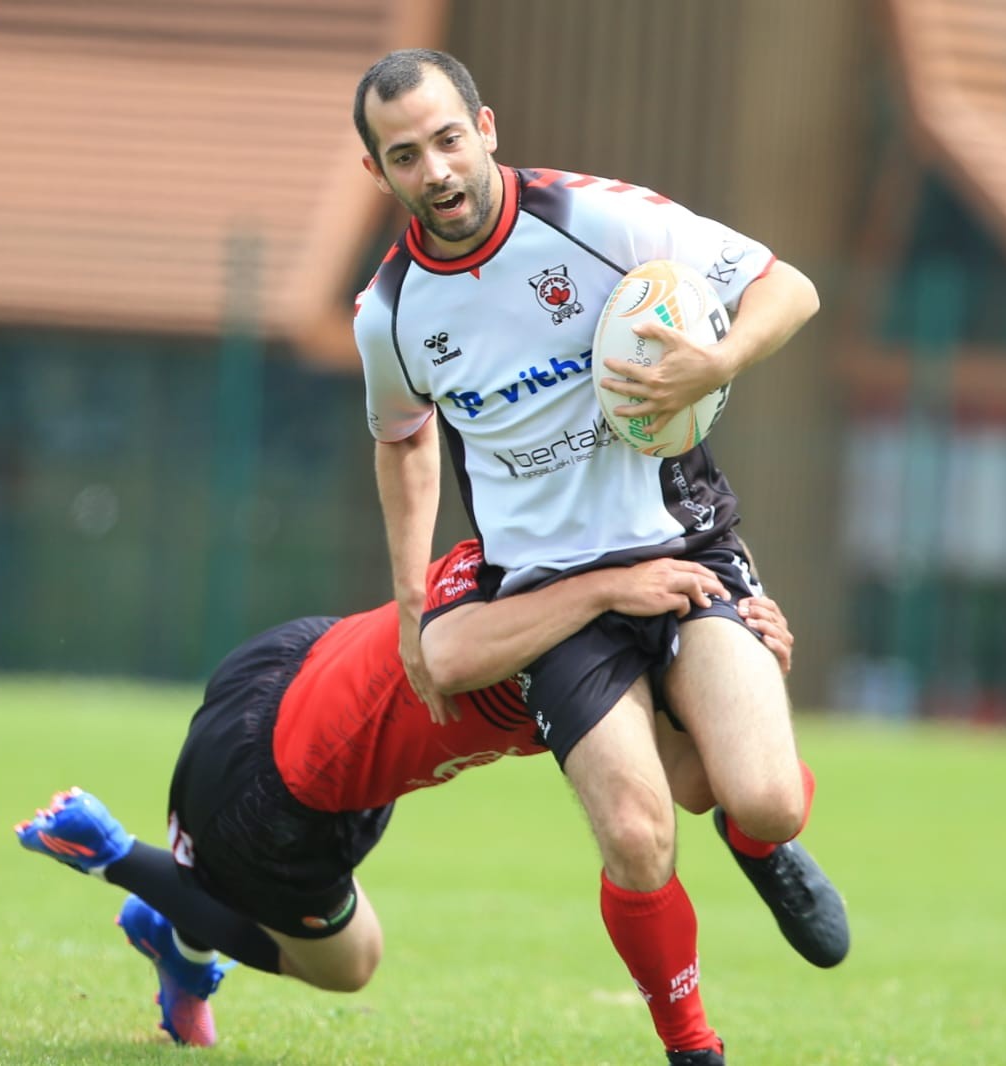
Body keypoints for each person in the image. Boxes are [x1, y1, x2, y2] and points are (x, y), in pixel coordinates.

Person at [350, 49, 845, 1065]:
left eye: (448, 140)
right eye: (405, 155)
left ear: (484, 128)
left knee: (753, 795)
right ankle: (690, 1045)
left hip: (685, 546)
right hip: (549, 592)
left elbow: (786, 288)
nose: (435, 170)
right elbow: (401, 438)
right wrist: (408, 596)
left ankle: (766, 843)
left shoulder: (599, 220)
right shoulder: (390, 314)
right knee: (636, 828)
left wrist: (718, 359)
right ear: (379, 174)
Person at [15, 543, 800, 1050]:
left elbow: (703, 780)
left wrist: (751, 659)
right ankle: (116, 859)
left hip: (306, 665)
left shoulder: (546, 562)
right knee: (350, 964)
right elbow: (460, 660)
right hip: (275, 791)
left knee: (294, 899)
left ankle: (181, 925)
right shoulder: (569, 639)